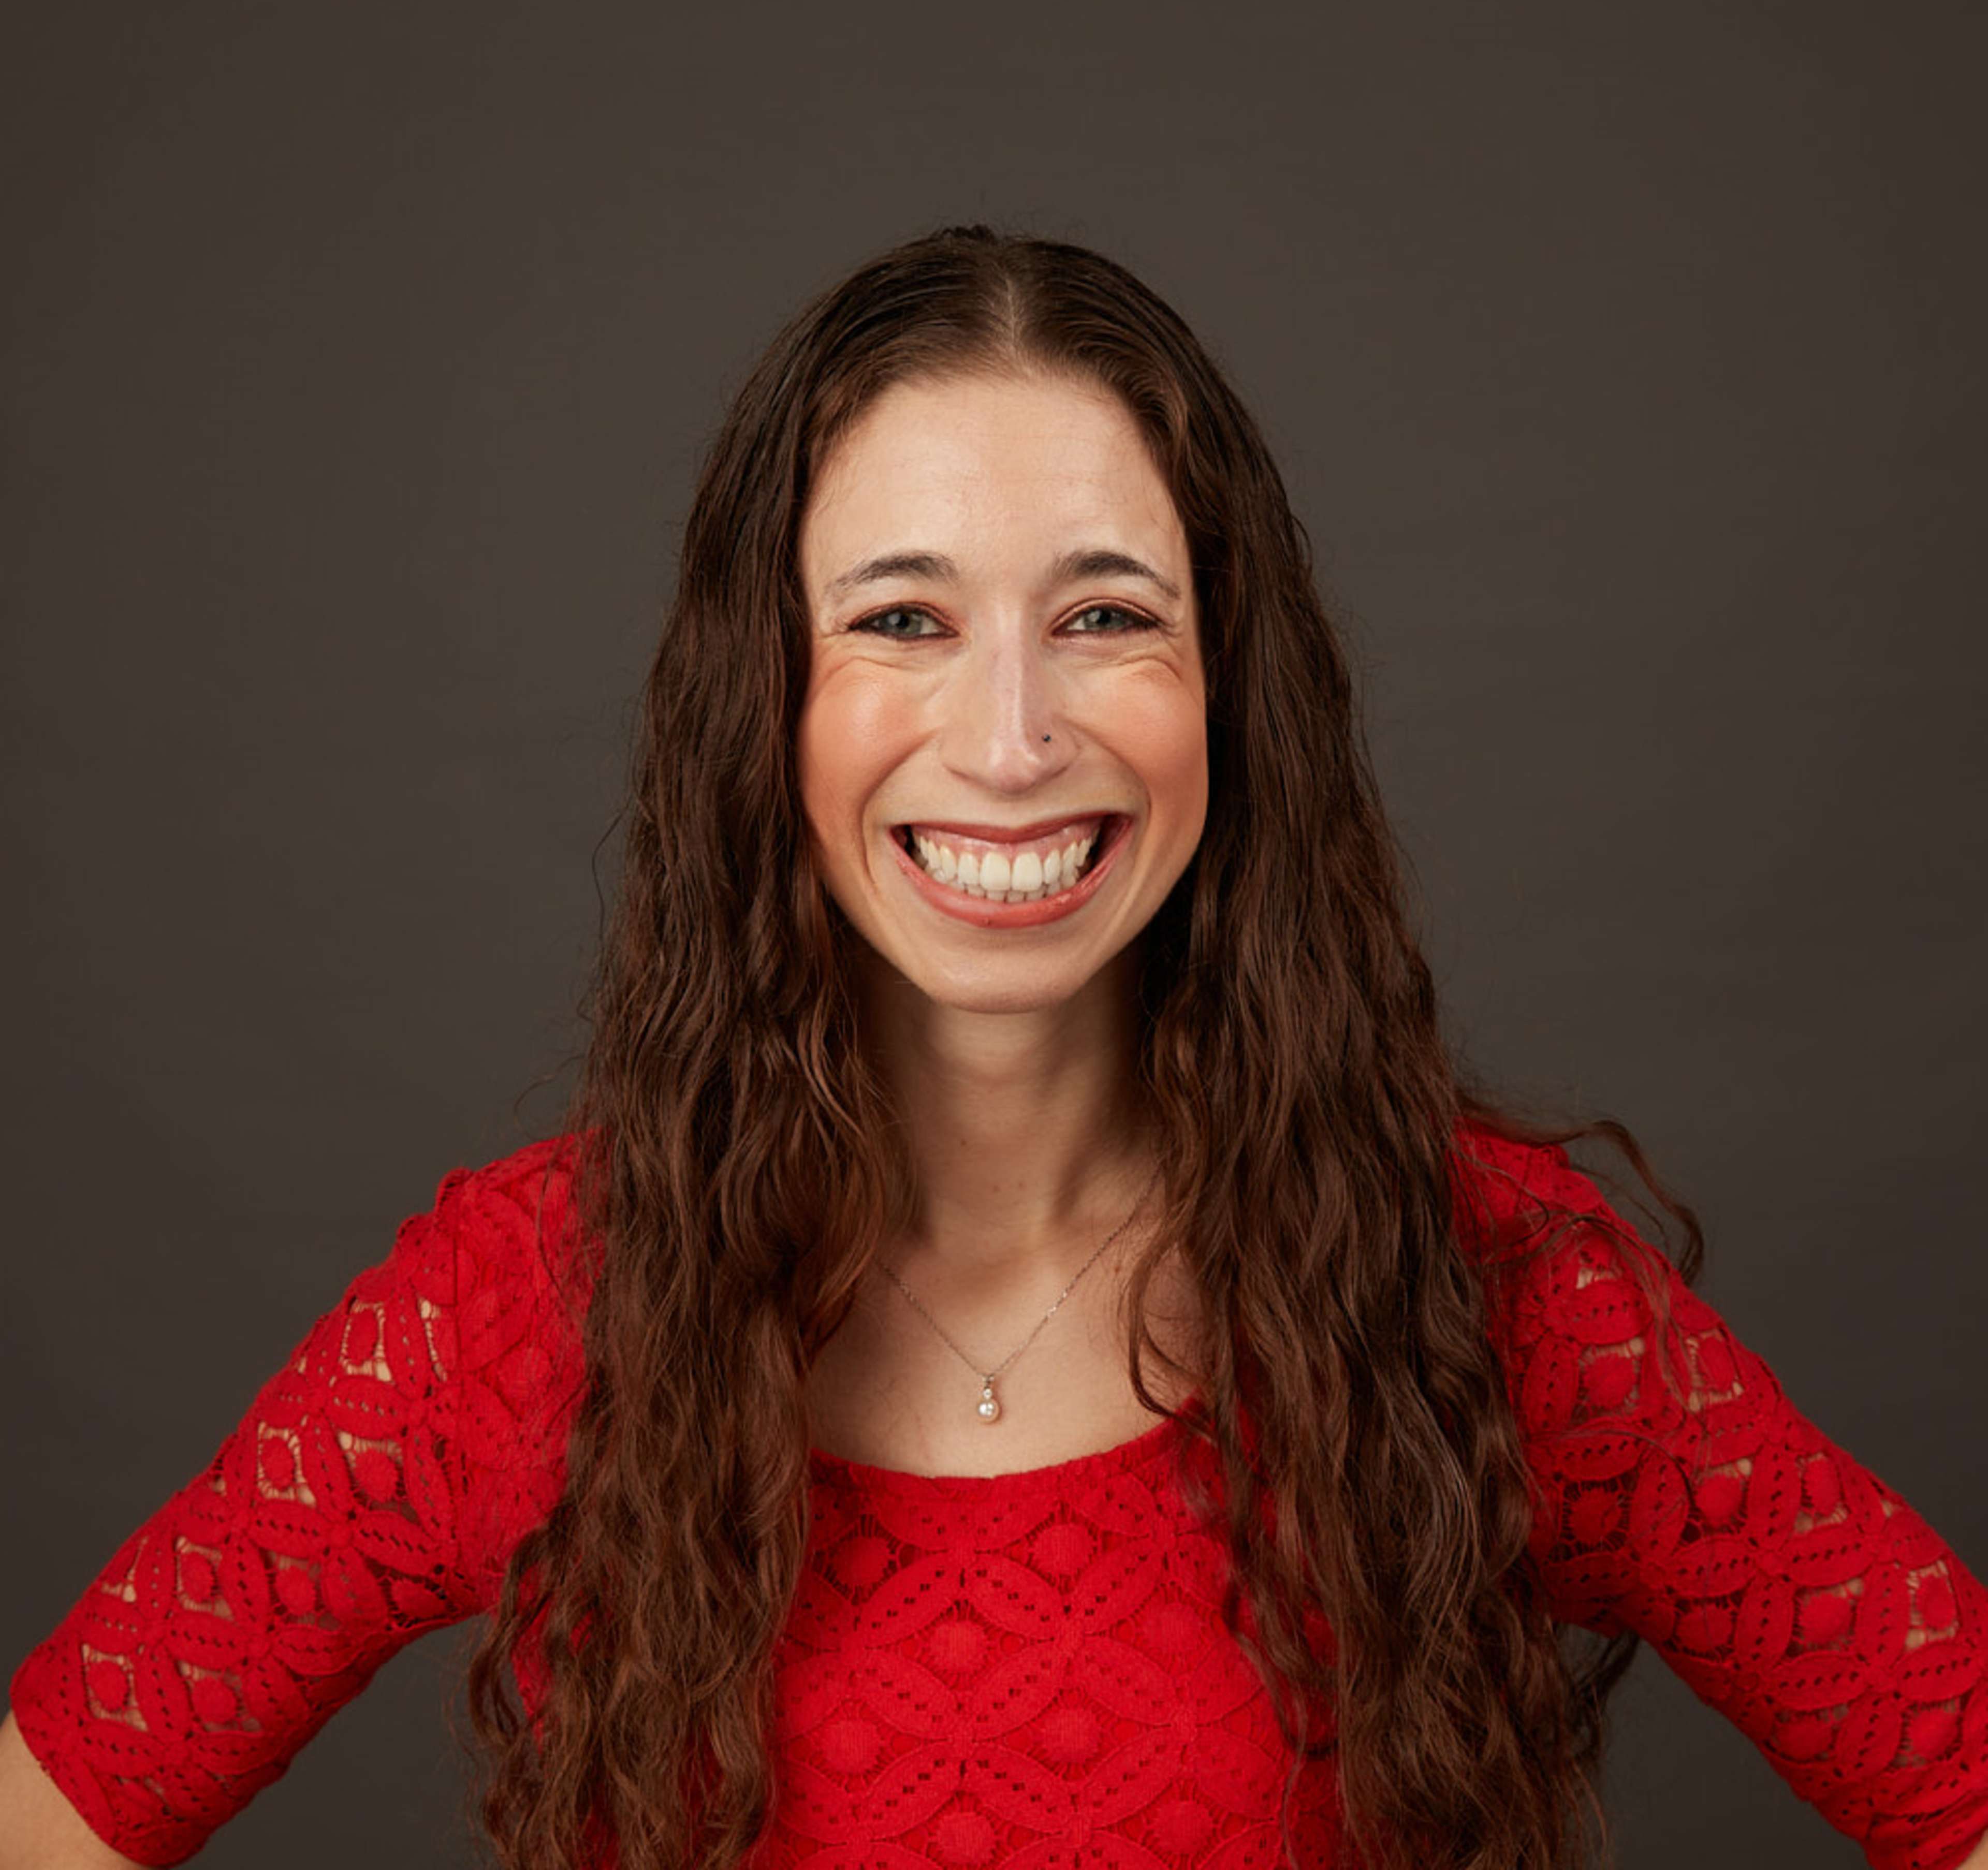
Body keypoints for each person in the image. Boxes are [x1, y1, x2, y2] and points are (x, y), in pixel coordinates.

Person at [2, 225, 1983, 1870]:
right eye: (903, 620)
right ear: (766, 701)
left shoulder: (1488, 1296)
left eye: (1107, 612)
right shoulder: (520, 1312)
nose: (1015, 736)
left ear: (1234, 692)